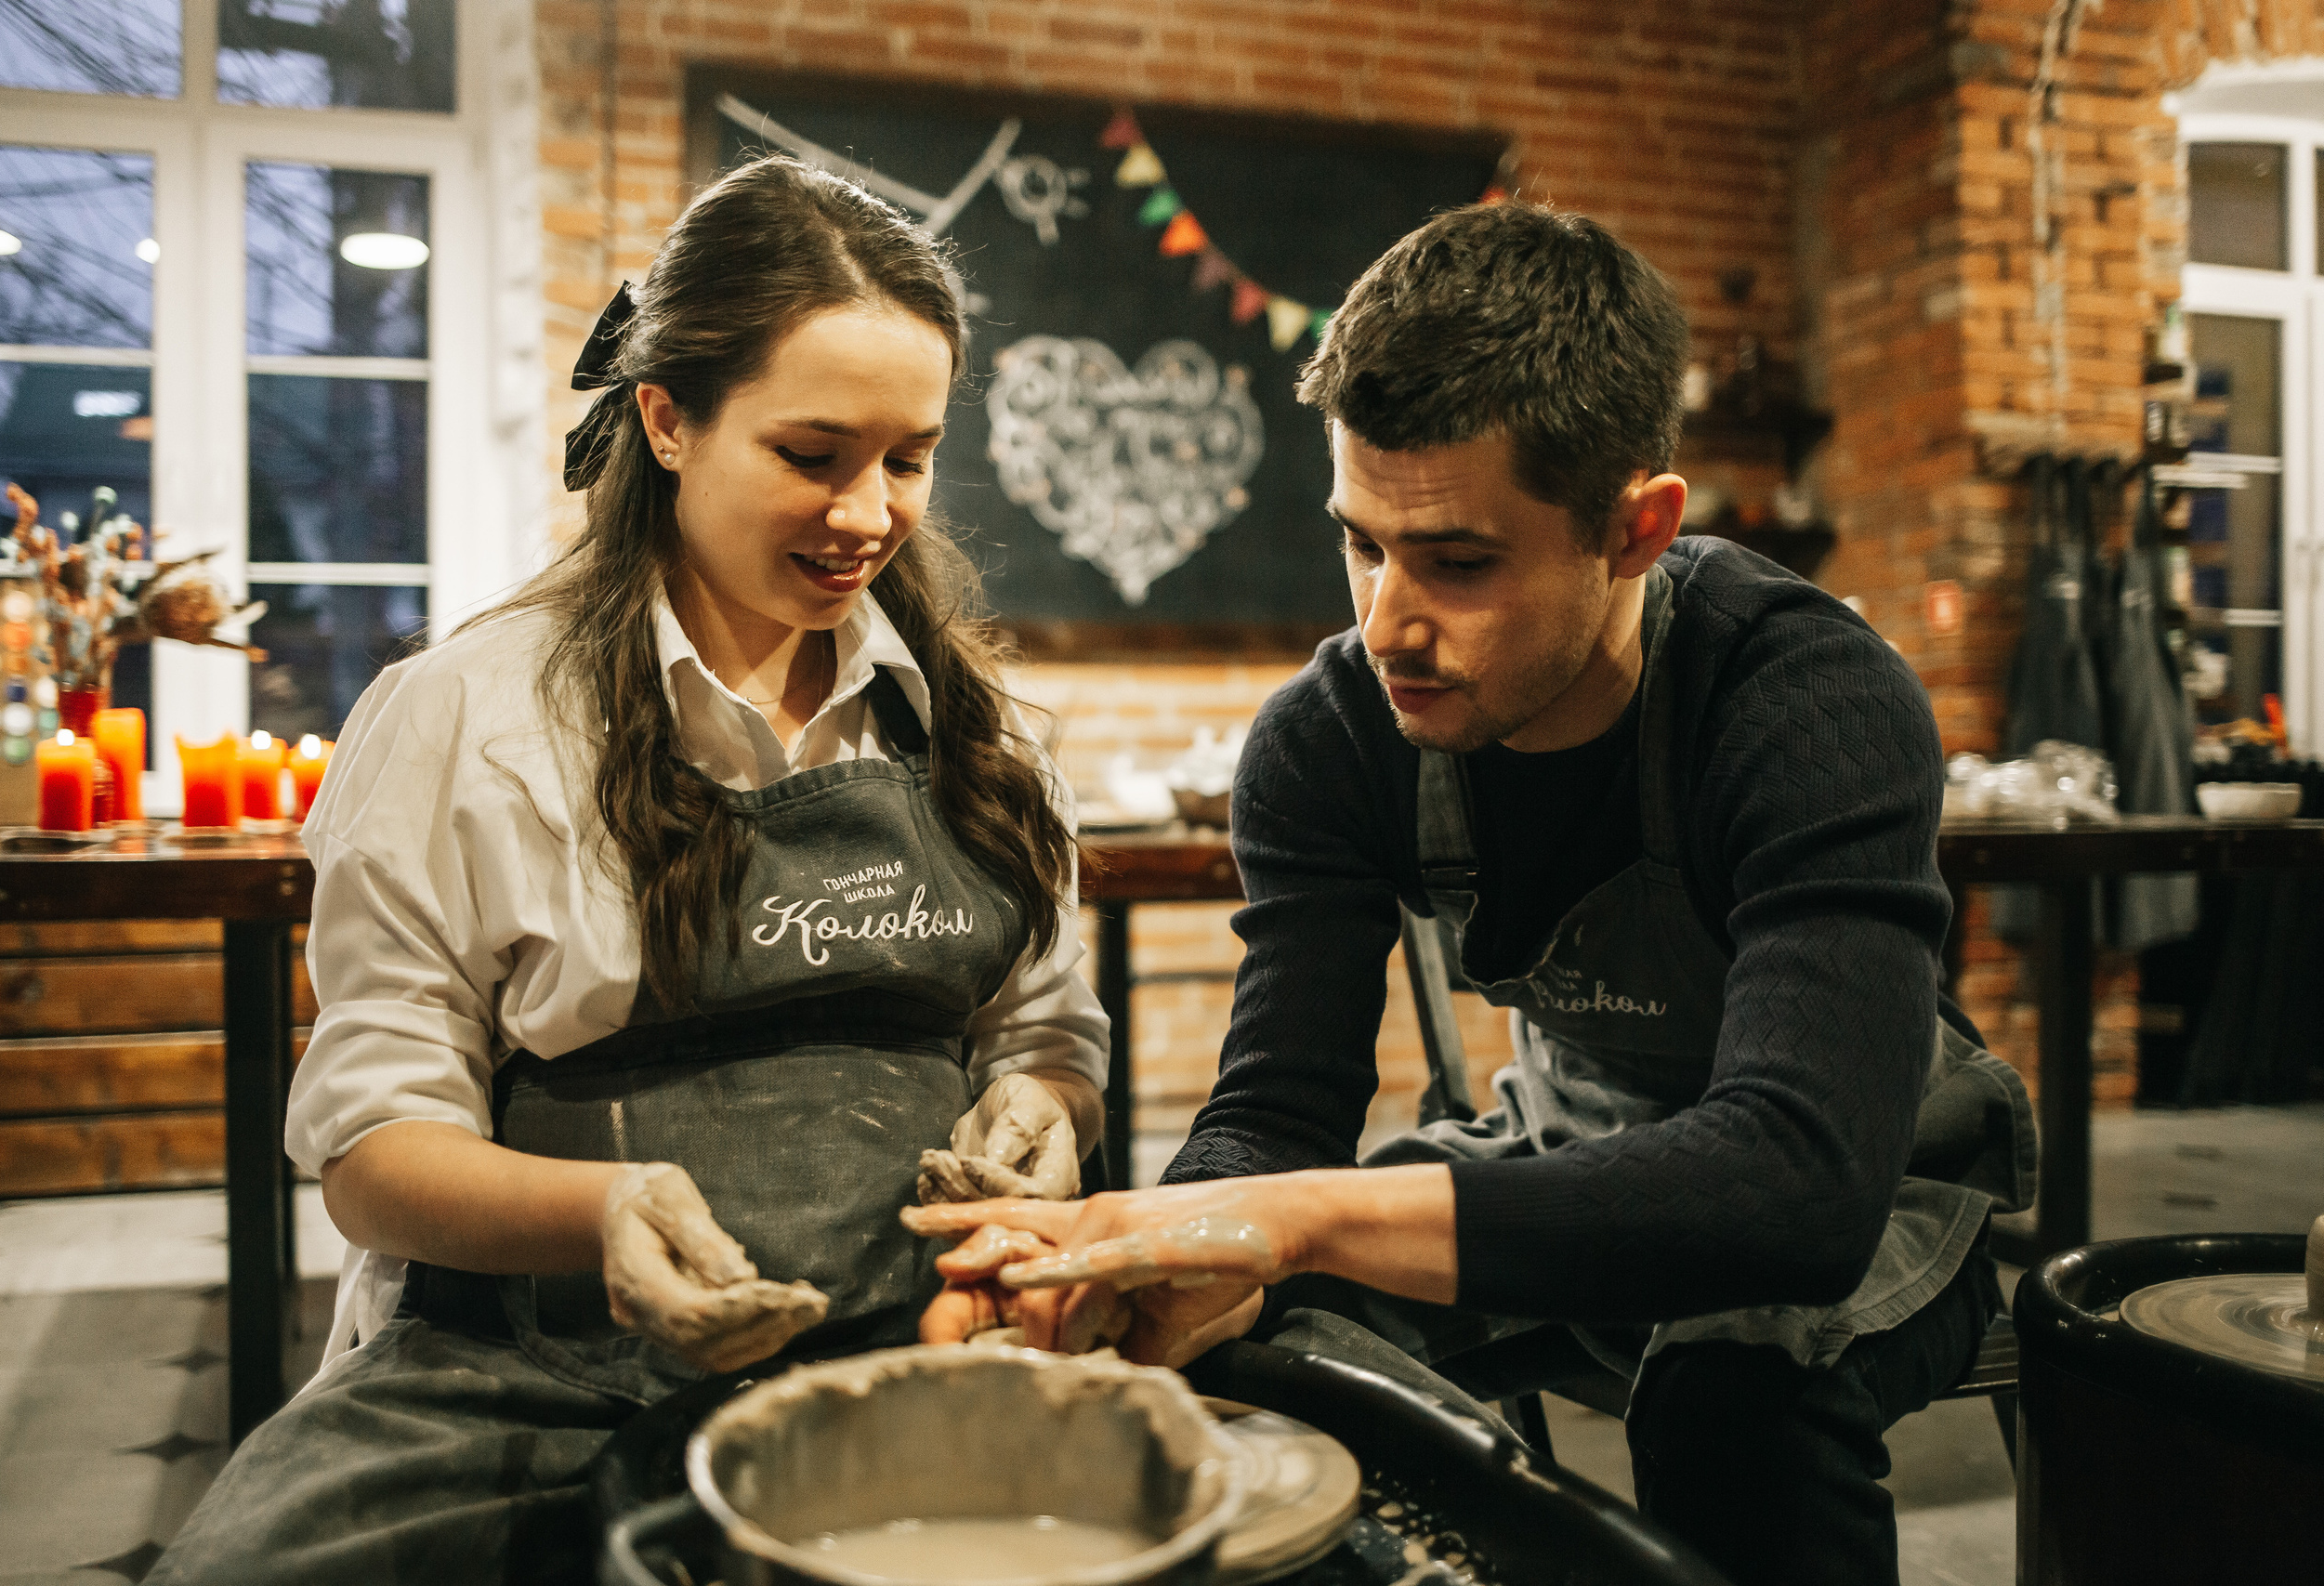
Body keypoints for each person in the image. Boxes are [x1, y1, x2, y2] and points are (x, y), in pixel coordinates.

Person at [909, 202, 2035, 1586]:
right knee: (1250, 1337)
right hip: (1565, 1150)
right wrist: (1180, 1249)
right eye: (1361, 544)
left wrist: (1302, 1219)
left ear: (1636, 528)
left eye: (1458, 562)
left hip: (1877, 1186)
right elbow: (1277, 1112)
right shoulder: (1332, 738)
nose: (1385, 622)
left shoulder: (1806, 700)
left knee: (1736, 1389)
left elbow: (1795, 1191)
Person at [146, 157, 1107, 1586]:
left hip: (915, 1349)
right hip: (533, 1376)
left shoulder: (976, 731)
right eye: (812, 454)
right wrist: (601, 1212)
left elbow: (1043, 1031)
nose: (867, 512)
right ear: (665, 419)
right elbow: (373, 1153)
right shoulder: (468, 719)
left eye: (907, 459)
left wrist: (1044, 1106)